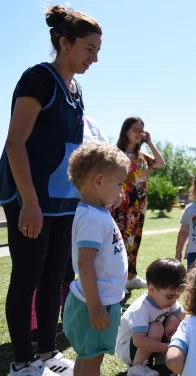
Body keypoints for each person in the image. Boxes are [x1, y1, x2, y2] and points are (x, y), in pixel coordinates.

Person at [0, 5, 101, 375]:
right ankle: (22, 362)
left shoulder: (77, 89)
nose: (94, 58)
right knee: (27, 275)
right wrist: (28, 202)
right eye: (89, 49)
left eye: (97, 51)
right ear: (65, 42)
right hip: (30, 197)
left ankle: (46, 353)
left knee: (56, 274)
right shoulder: (39, 78)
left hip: (62, 200)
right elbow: (15, 143)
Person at [31, 114, 109, 346]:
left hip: (76, 205)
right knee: (39, 269)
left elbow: (104, 154)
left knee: (65, 268)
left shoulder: (90, 122)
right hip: (46, 201)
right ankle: (34, 327)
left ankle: (66, 319)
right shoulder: (45, 115)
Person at [63, 142, 130, 376]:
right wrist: (95, 307)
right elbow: (85, 263)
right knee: (93, 359)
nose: (122, 191)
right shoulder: (92, 218)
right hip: (94, 303)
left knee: (87, 356)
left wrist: (110, 202)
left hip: (96, 301)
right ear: (99, 181)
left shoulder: (95, 212)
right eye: (119, 184)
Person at [112, 117, 165, 291]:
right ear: (125, 130)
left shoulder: (142, 156)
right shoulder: (115, 154)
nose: (139, 133)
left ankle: (131, 277)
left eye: (142, 130)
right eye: (135, 129)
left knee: (135, 241)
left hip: (138, 208)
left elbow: (160, 163)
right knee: (120, 242)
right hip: (121, 207)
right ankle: (118, 280)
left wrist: (150, 142)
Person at [115, 258, 186, 376]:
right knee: (156, 327)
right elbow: (139, 341)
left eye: (177, 297)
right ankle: (137, 368)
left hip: (150, 343)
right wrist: (169, 347)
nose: (174, 301)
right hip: (128, 349)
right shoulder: (140, 308)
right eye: (169, 297)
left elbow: (184, 318)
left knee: (174, 320)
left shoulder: (168, 301)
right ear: (151, 289)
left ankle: (162, 361)